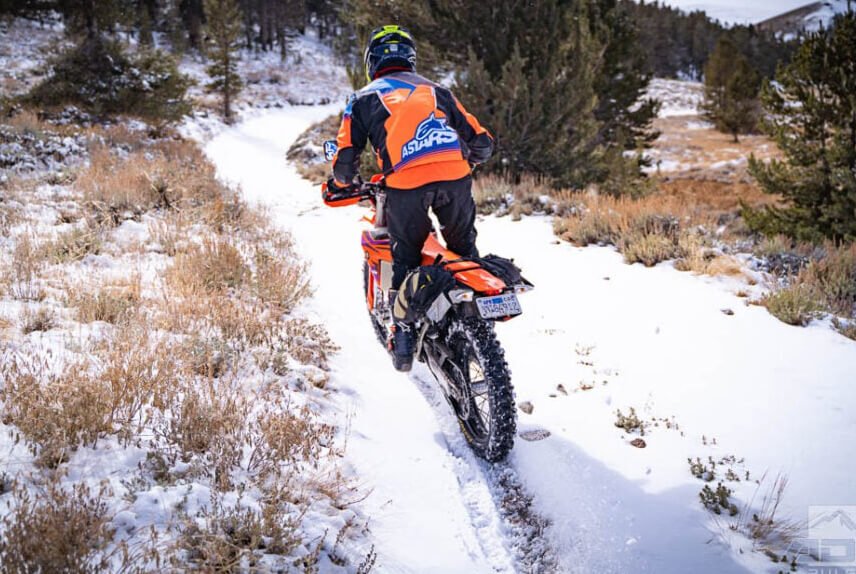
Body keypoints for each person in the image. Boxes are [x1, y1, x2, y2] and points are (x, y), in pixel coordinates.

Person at [327, 24, 494, 372]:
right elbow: (482, 142)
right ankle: (478, 322)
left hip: (405, 185)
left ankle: (402, 333)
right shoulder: (438, 91)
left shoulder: (361, 98)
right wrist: (463, 161)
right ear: (411, 58)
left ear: (371, 61)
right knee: (462, 249)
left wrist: (345, 181)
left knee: (405, 255)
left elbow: (344, 160)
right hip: (455, 179)